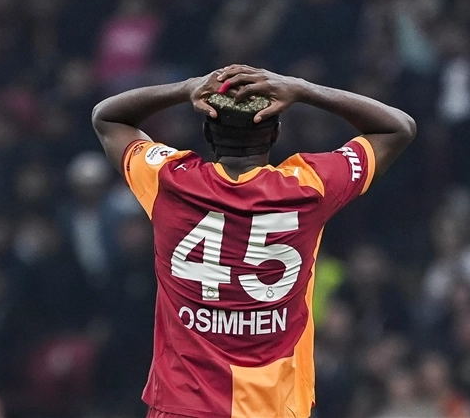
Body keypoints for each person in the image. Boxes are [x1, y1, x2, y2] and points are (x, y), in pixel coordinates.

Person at [91, 65, 416, 418]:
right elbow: (397, 127)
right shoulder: (309, 187)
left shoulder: (170, 181)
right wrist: (301, 88)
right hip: (272, 408)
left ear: (206, 131)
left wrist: (185, 88)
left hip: (182, 407)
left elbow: (107, 118)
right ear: (276, 133)